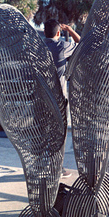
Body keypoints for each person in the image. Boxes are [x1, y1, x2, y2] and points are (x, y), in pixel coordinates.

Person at [44, 19, 80, 178]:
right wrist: (70, 30)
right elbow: (82, 43)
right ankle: (57, 168)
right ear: (58, 33)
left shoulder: (38, 47)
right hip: (58, 99)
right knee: (60, 134)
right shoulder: (61, 47)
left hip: (41, 97)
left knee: (45, 133)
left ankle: (44, 166)